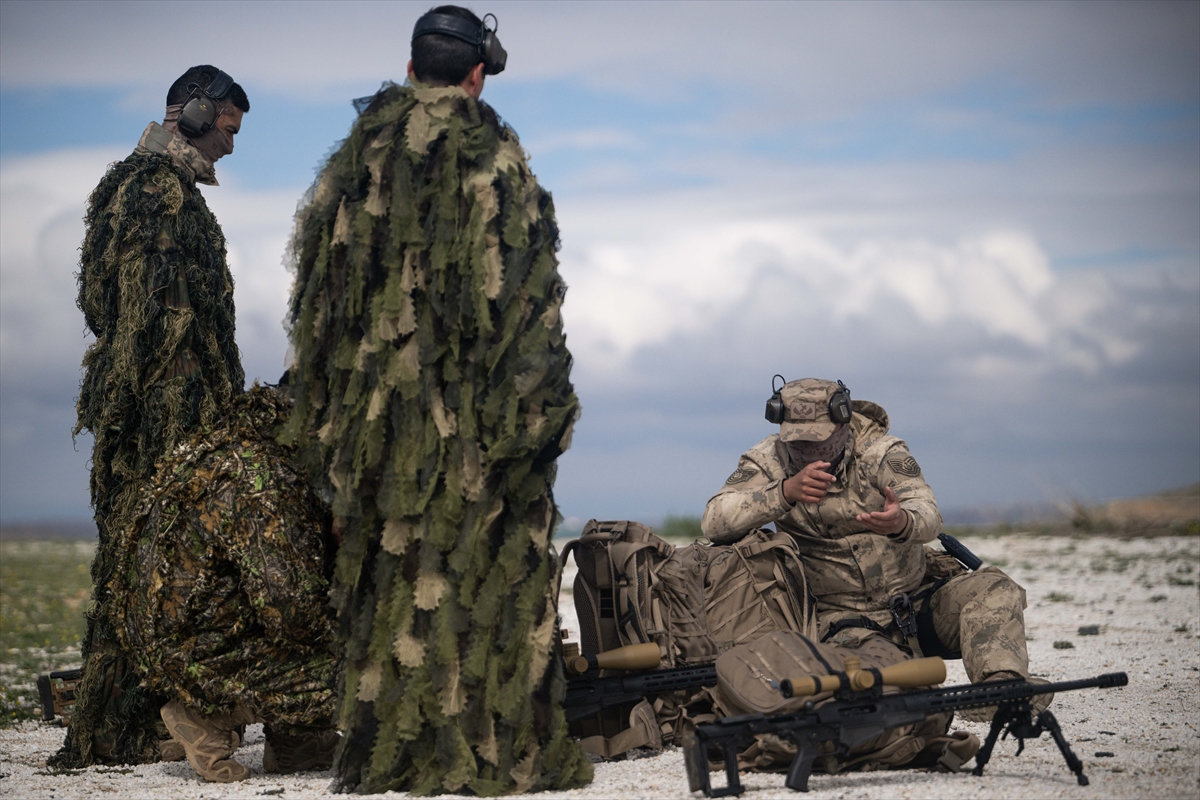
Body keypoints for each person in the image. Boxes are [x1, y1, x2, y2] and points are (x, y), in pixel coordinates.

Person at [281, 6, 592, 794]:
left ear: (412, 67)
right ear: (478, 73)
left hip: (376, 432)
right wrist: (539, 429)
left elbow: (317, 312)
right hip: (474, 435)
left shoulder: (353, 163)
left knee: (392, 590)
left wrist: (328, 429)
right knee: (490, 583)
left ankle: (397, 754)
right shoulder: (494, 160)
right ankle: (485, 757)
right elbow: (528, 313)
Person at [54, 64, 249, 768]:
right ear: (192, 113)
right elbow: (146, 326)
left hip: (160, 414)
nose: (230, 144)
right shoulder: (153, 194)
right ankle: (125, 726)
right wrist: (185, 424)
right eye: (225, 126)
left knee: (146, 566)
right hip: (160, 421)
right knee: (151, 567)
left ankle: (136, 720)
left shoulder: (152, 190)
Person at [701, 377, 1049, 720]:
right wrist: (783, 493)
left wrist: (902, 523)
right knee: (873, 682)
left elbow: (929, 514)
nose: (806, 452)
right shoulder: (768, 461)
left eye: (817, 441)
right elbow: (714, 520)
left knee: (994, 588)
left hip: (916, 601)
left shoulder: (881, 452)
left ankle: (1000, 688)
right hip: (841, 619)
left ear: (843, 424)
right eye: (797, 442)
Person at [108, 385, 340, 783]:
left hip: (179, 643)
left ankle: (296, 744)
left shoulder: (226, 453)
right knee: (355, 667)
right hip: (201, 653)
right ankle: (205, 717)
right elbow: (291, 612)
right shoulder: (265, 482)